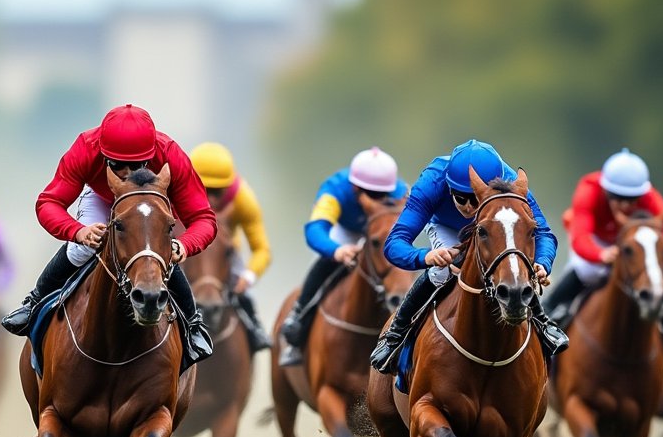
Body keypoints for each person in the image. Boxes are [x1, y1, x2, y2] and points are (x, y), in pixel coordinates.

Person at [0, 104, 216, 363]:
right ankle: (34, 302)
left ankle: (192, 324)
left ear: (151, 155)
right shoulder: (85, 148)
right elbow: (49, 203)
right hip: (102, 197)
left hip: (149, 200)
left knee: (155, 248)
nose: (126, 174)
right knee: (82, 248)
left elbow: (203, 218)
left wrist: (185, 245)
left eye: (136, 165)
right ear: (102, 154)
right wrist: (78, 231)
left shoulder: (171, 154)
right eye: (117, 165)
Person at [369, 139, 568, 374]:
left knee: (512, 266)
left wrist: (542, 263)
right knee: (443, 271)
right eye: (461, 198)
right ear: (448, 187)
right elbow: (395, 243)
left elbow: (543, 232)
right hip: (446, 228)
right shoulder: (432, 182)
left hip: (493, 225)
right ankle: (396, 334)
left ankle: (543, 322)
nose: (469, 207)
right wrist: (427, 256)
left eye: (476, 198)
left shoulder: (510, 183)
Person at [542, 149, 663, 353]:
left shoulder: (653, 199)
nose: (626, 205)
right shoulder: (588, 190)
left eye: (632, 200)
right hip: (596, 241)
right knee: (586, 271)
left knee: (655, 282)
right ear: (606, 190)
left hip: (632, 245)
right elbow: (581, 239)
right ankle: (549, 315)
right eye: (618, 198)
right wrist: (601, 255)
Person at [277, 147, 403, 367]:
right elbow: (315, 229)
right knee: (325, 262)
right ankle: (299, 317)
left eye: (381, 195)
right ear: (354, 187)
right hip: (347, 233)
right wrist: (336, 250)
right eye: (369, 194)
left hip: (382, 234)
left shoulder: (401, 193)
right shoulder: (334, 191)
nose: (375, 200)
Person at [188, 141, 272, 353]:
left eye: (217, 192)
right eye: (204, 190)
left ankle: (254, 328)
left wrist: (248, 277)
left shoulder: (243, 199)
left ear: (228, 186)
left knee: (244, 293)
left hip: (225, 252)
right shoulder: (176, 192)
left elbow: (262, 249)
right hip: (187, 248)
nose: (210, 200)